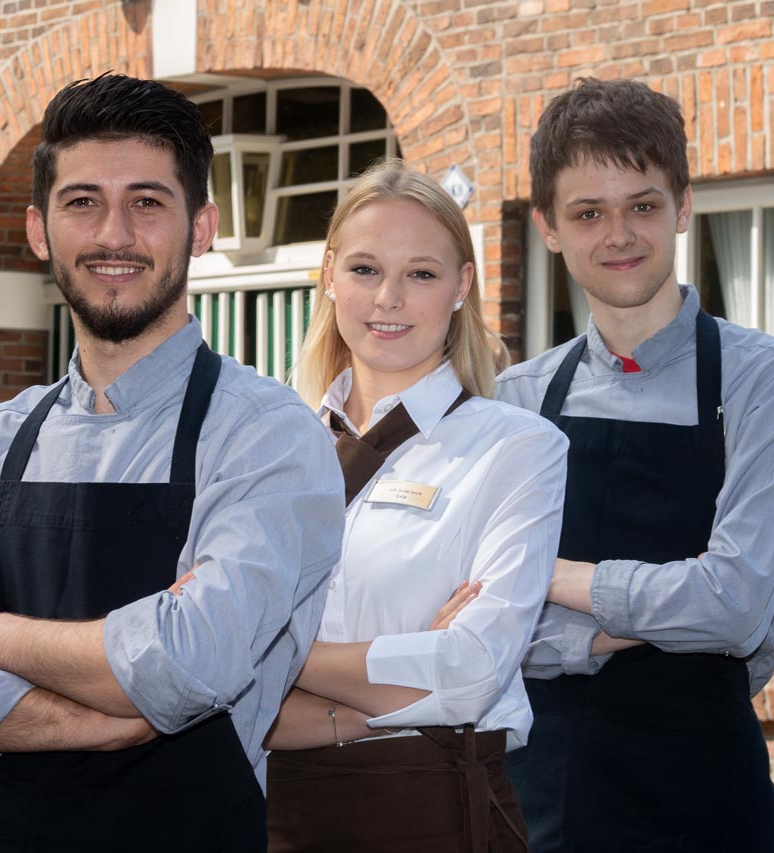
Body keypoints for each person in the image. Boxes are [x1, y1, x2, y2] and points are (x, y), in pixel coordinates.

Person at [0, 74, 345, 852]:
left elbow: (191, 663)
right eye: (83, 200)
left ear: (201, 227)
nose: (114, 234)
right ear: (39, 228)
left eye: (148, 202)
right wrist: (99, 718)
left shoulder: (267, 435)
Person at [497, 78, 774, 852]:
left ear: (683, 205)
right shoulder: (518, 397)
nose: (619, 235)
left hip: (706, 795)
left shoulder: (764, 379)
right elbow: (486, 625)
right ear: (548, 227)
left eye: (642, 205)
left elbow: (734, 604)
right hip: (546, 798)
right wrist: (615, 633)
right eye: (587, 213)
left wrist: (556, 579)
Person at [260, 160, 568, 853]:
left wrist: (268, 645)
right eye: (366, 269)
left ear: (461, 285)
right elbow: (209, 685)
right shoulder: (269, 450)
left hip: (436, 814)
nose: (389, 298)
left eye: (421, 274)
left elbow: (468, 672)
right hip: (273, 815)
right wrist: (394, 675)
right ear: (329, 276)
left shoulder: (518, 448)